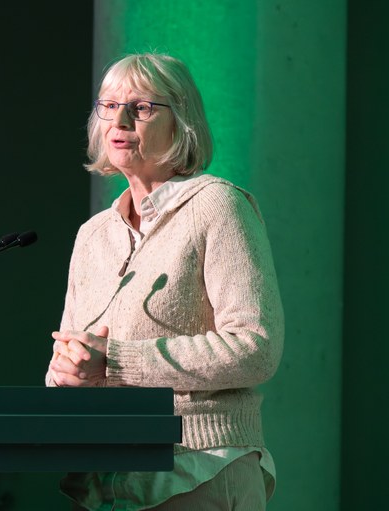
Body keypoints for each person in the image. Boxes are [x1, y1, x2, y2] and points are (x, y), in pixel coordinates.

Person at [46, 53, 284, 510]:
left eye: (141, 107)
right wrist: (66, 371)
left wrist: (114, 361)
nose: (120, 120)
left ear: (182, 122)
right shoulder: (93, 235)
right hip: (104, 480)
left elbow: (256, 347)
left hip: (197, 470)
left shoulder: (217, 207)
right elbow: (74, 359)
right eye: (108, 105)